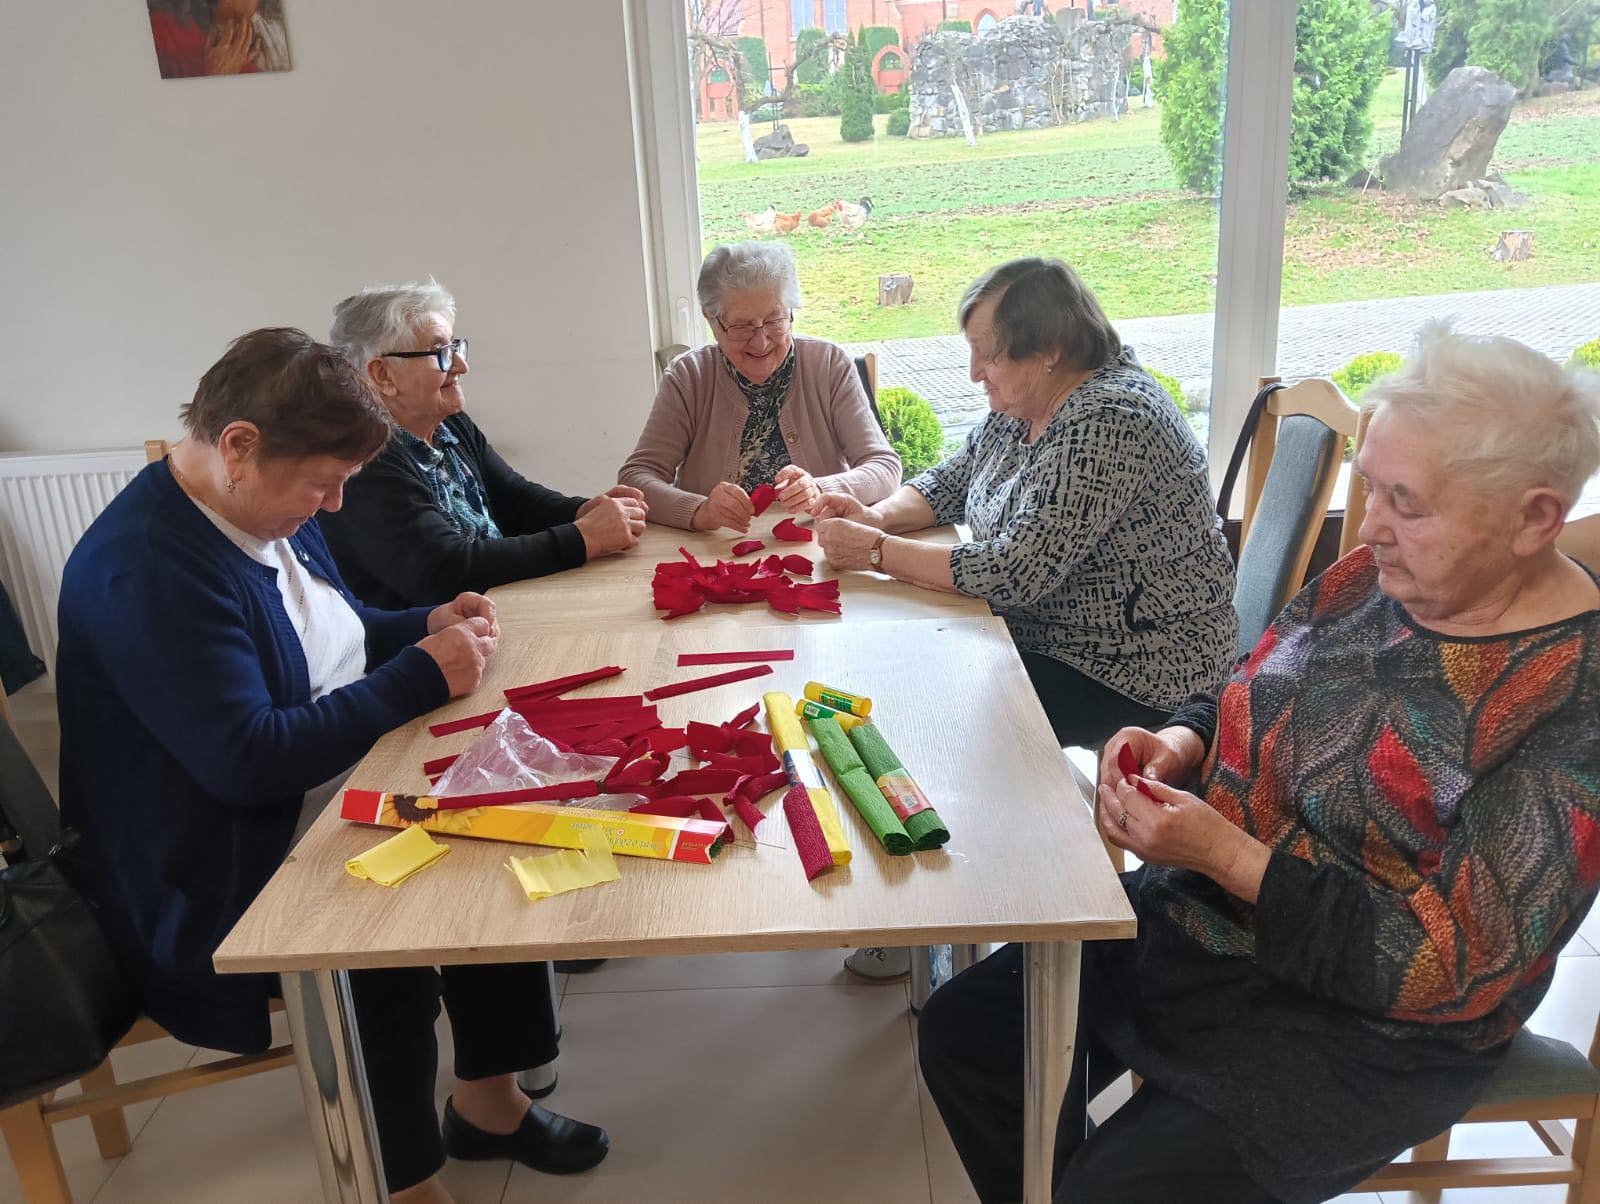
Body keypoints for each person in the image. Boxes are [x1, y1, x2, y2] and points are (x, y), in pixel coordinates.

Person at [917, 324, 1600, 1203]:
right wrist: (1181, 742)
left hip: (1365, 1027)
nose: (1371, 528)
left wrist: (1224, 854)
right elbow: (1254, 682)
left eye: (1407, 503)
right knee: (966, 1036)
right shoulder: (1376, 578)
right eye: (1370, 487)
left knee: (1112, 1190)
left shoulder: (1570, 707)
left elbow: (1446, 968)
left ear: (1535, 518)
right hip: (1205, 920)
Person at [57, 329, 608, 1204]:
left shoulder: (259, 509)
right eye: (323, 483)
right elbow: (248, 761)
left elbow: (332, 633)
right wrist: (418, 676)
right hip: (209, 861)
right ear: (240, 446)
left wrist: (424, 624)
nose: (335, 505)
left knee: (492, 837)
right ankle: (402, 1183)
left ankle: (489, 1103)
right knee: (380, 932)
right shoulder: (149, 569)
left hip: (304, 790)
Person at [816, 258, 1236, 748]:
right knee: (909, 665)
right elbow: (953, 480)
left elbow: (1014, 572)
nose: (975, 373)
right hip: (1054, 635)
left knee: (933, 712)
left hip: (1136, 662)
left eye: (989, 356)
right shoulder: (1028, 401)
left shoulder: (1111, 421)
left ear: (1049, 351)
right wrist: (875, 516)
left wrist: (876, 551)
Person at [320, 279, 647, 610]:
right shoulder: (363, 459)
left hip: (498, 608)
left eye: (455, 347)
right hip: (437, 634)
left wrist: (582, 511)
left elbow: (512, 497)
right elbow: (447, 571)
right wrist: (584, 537)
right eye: (440, 353)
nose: (461, 366)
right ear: (383, 375)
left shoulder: (450, 424)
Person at [618, 241, 901, 532]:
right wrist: (698, 510)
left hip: (820, 543)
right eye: (741, 327)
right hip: (715, 548)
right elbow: (636, 477)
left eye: (774, 320)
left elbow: (884, 467)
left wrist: (820, 488)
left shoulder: (828, 364)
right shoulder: (689, 376)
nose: (761, 341)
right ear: (711, 320)